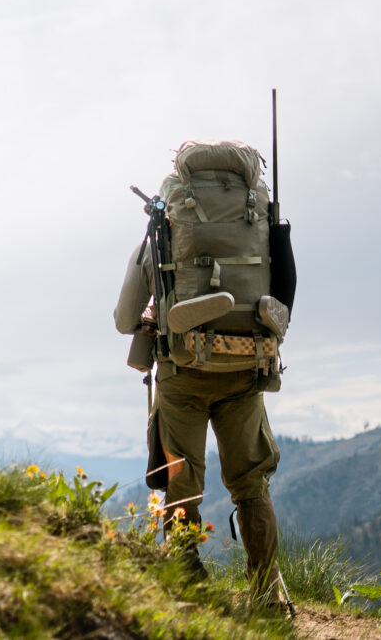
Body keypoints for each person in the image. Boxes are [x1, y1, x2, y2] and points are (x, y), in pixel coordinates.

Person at [114, 140, 292, 611]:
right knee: (251, 484)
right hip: (244, 369)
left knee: (181, 480)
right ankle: (267, 593)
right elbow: (283, 294)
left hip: (182, 373)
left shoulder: (164, 235)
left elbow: (123, 318)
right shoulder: (260, 226)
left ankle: (187, 583)